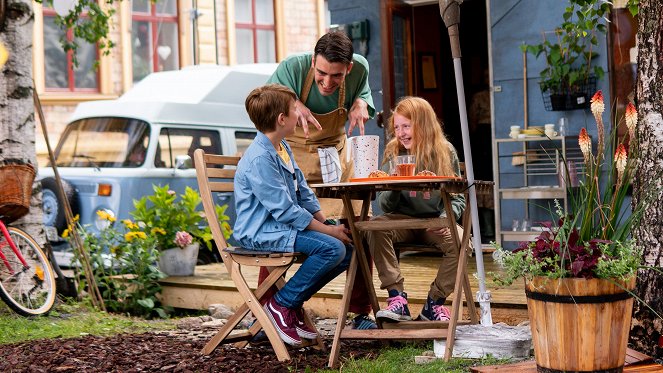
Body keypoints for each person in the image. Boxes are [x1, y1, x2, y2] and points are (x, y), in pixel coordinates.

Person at [261, 30, 376, 330]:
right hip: (293, 156)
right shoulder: (292, 68)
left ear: (348, 69)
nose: (327, 82)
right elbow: (264, 108)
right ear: (312, 62)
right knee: (281, 229)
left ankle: (361, 310)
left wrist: (361, 101)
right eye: (321, 72)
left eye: (336, 76)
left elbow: (363, 93)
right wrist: (290, 102)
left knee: (359, 225)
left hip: (333, 158)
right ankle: (266, 313)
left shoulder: (360, 68)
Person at [233, 84, 353, 347]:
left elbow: (303, 191)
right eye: (294, 110)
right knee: (332, 249)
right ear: (282, 119)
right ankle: (281, 305)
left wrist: (325, 221)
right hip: (261, 232)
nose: (299, 114)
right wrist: (330, 232)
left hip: (282, 228)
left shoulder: (282, 147)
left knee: (348, 251)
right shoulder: (260, 158)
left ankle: (291, 303)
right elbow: (285, 210)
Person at [364, 97, 467, 322]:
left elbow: (458, 196)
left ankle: (434, 303)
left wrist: (445, 218)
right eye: (397, 127)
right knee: (373, 227)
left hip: (435, 222)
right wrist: (393, 186)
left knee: (460, 243)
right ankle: (397, 298)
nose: (400, 133)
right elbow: (383, 206)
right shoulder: (393, 152)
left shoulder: (444, 151)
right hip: (401, 220)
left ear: (423, 124)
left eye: (406, 126)